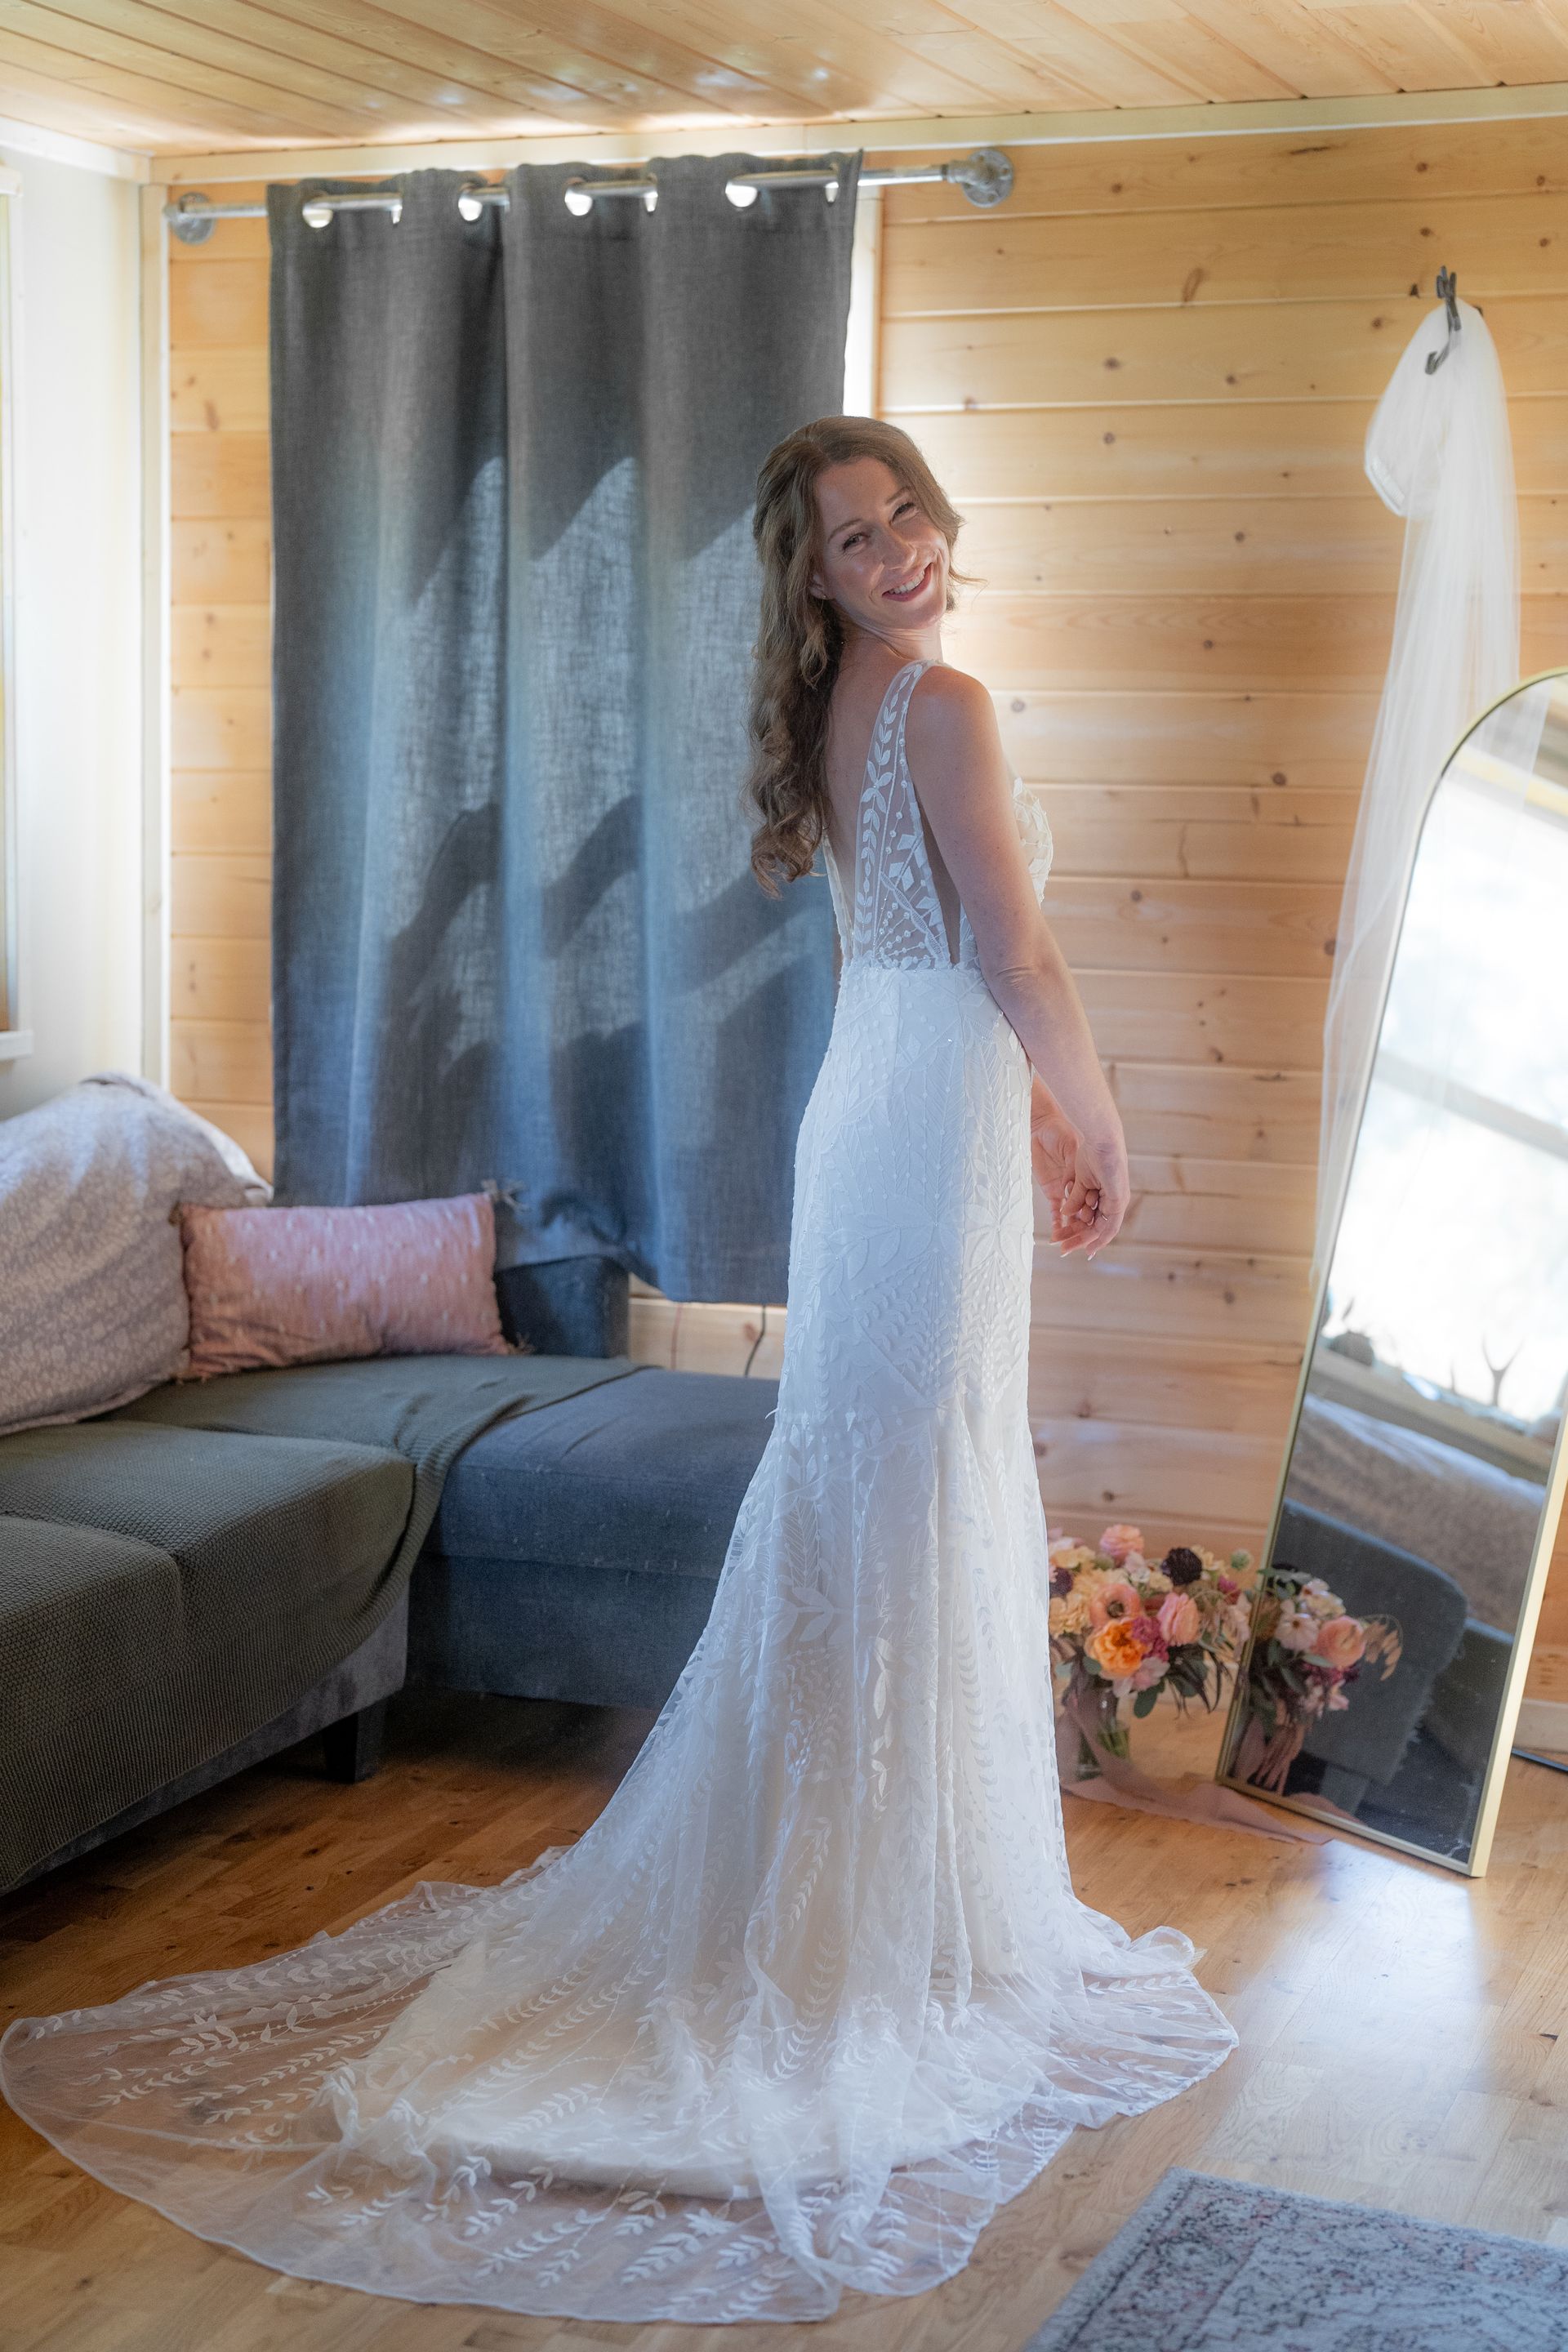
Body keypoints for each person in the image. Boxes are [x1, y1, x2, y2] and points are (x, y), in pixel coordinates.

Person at [0, 416, 1236, 2326]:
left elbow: (942, 951)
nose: (899, 548)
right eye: (855, 536)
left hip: (891, 1121)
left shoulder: (849, 710)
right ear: (813, 576)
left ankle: (868, 1904)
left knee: (888, 1491)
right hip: (935, 1126)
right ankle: (865, 1935)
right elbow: (1019, 951)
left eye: (906, 513)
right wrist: (1108, 1126)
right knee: (907, 1493)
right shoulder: (949, 702)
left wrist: (1041, 1123)